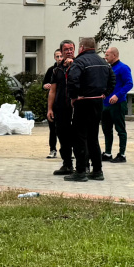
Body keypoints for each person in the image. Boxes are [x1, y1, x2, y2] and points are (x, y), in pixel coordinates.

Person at [65, 37, 115, 182]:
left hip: (83, 101)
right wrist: (105, 94)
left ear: (81, 47)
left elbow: (73, 80)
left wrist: (73, 97)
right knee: (93, 137)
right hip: (98, 102)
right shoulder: (103, 62)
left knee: (79, 136)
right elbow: (112, 79)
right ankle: (97, 170)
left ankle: (81, 171)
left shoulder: (80, 62)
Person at [47, 40, 77, 175]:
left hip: (77, 107)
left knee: (79, 136)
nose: (69, 51)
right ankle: (67, 164)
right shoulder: (57, 70)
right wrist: (50, 109)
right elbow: (52, 90)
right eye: (66, 50)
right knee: (63, 136)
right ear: (61, 52)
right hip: (61, 107)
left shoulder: (79, 65)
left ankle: (84, 165)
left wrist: (73, 66)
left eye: (71, 49)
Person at [101, 47, 133, 163]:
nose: (105, 57)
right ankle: (108, 153)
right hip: (106, 103)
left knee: (120, 128)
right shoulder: (108, 68)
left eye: (107, 55)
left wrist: (118, 95)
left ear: (114, 55)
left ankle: (122, 154)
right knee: (106, 129)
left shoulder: (123, 68)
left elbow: (129, 84)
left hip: (117, 103)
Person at [43, 49, 62, 159]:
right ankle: (52, 149)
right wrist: (46, 86)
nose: (59, 58)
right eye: (57, 56)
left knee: (65, 128)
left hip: (64, 102)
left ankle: (68, 149)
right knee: (52, 128)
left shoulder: (68, 68)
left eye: (60, 56)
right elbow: (44, 84)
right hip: (53, 102)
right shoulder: (51, 70)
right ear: (54, 57)